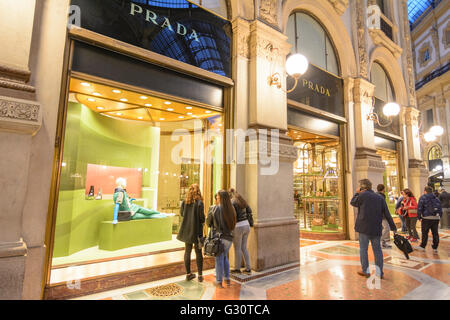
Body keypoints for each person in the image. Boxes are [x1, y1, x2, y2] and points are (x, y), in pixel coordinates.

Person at [350, 179, 397, 279]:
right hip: (376, 227)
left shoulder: (362, 195)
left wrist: (357, 193)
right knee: (377, 250)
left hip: (364, 228)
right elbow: (387, 213)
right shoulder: (379, 197)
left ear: (363, 187)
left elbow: (353, 202)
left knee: (363, 249)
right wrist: (393, 227)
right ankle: (380, 273)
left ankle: (365, 271)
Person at [207, 190, 236, 288]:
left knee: (219, 259)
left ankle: (219, 282)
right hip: (229, 238)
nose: (217, 199)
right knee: (224, 258)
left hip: (220, 238)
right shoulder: (232, 208)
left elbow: (209, 223)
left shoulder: (217, 208)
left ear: (221, 198)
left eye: (218, 198)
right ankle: (227, 279)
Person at [177, 184, 205, 282]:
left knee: (187, 251)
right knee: (198, 253)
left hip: (186, 230)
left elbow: (181, 214)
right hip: (197, 231)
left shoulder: (185, 202)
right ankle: (200, 275)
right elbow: (202, 218)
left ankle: (188, 274)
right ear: (198, 191)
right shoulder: (200, 203)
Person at [229, 188, 253, 275]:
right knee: (244, 247)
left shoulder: (232, 202)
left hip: (238, 226)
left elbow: (233, 215)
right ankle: (248, 268)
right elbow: (249, 211)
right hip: (246, 225)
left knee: (237, 248)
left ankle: (237, 268)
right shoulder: (242, 201)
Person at [416, 186, 443, 253]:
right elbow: (440, 208)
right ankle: (435, 247)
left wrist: (419, 217)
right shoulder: (436, 198)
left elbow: (419, 208)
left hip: (426, 218)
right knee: (435, 233)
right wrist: (440, 217)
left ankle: (423, 246)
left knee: (425, 233)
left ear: (425, 191)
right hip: (435, 218)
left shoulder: (423, 197)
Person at [376, 184, 392, 249]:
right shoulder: (380, 196)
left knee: (383, 228)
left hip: (380, 215)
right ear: (383, 189)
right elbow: (383, 207)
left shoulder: (378, 195)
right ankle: (379, 241)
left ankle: (383, 242)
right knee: (386, 228)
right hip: (382, 215)